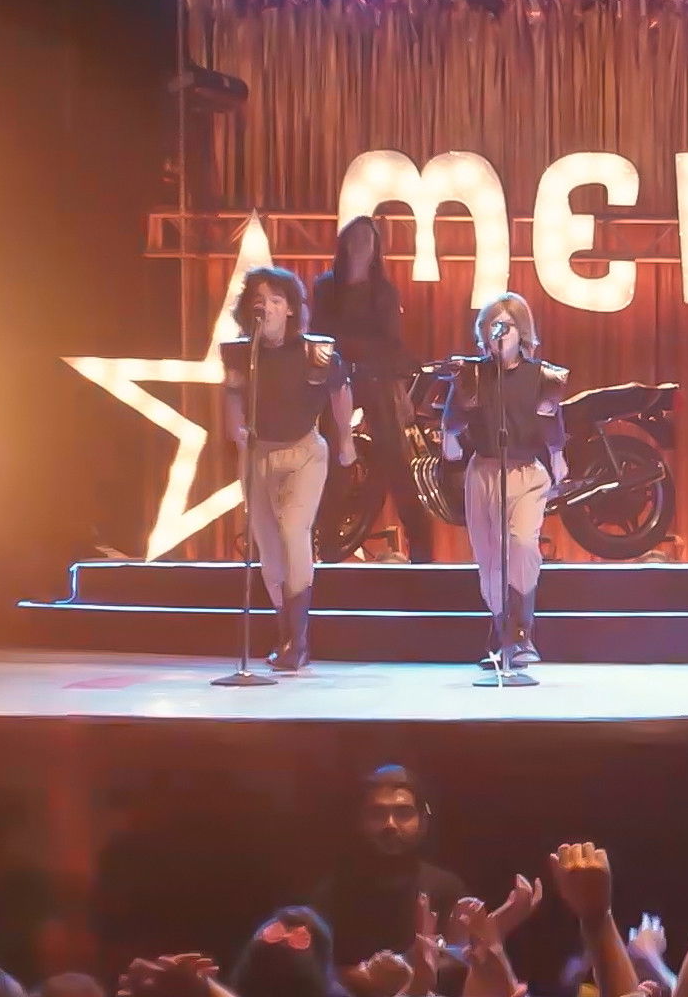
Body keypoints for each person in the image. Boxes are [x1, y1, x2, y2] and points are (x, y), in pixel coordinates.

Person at [221, 266, 357, 672]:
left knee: (293, 530)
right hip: (258, 454)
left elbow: (340, 392)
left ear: (291, 309)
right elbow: (232, 395)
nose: (267, 308)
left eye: (276, 300)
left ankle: (298, 640)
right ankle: (285, 633)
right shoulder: (241, 355)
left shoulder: (316, 353)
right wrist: (236, 430)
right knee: (268, 546)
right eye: (259, 300)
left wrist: (346, 440)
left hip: (304, 453)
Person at [440, 292, 567, 670]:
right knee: (491, 560)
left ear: (521, 331)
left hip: (526, 473)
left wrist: (558, 456)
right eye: (492, 326)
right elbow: (453, 417)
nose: (499, 334)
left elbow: (552, 423)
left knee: (522, 544)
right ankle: (503, 635)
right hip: (484, 473)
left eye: (506, 326)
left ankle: (523, 633)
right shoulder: (473, 375)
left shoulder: (542, 377)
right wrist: (449, 438)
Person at [311, 215, 433, 563]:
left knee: (396, 460)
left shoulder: (383, 291)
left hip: (376, 381)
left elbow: (390, 342)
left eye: (368, 241)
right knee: (333, 462)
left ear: (375, 249)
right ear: (345, 245)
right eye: (356, 239)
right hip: (336, 383)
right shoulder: (326, 288)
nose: (361, 247)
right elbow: (321, 336)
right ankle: (327, 549)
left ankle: (422, 554)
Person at [310, 765, 468, 974]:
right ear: (361, 821)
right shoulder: (332, 893)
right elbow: (313, 970)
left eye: (403, 813)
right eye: (378, 813)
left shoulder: (446, 889)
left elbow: (464, 963)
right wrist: (362, 978)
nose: (390, 824)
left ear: (423, 822)